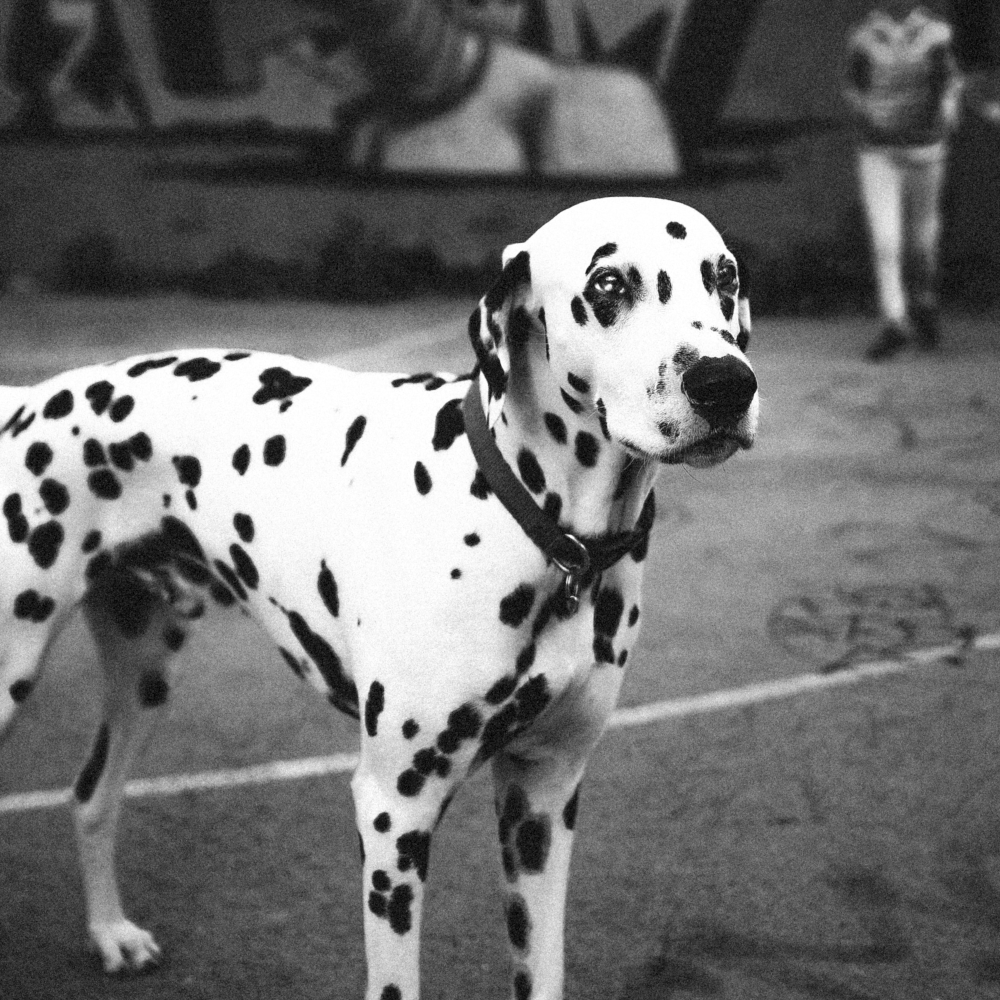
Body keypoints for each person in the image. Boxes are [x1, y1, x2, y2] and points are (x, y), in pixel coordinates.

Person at [843, 5, 964, 361]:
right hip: (879, 153)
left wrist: (946, 112)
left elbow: (950, 83)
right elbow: (852, 86)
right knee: (886, 241)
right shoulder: (863, 37)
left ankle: (924, 303)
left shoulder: (936, 34)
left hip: (927, 150)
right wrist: (872, 115)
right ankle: (895, 321)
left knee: (923, 240)